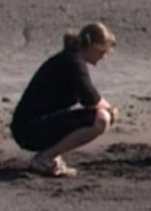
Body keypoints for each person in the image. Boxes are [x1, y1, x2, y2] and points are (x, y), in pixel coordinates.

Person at [10, 22, 119, 177]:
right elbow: (90, 99)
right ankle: (45, 158)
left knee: (96, 115)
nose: (104, 56)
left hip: (30, 127)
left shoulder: (71, 59)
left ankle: (51, 155)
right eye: (103, 51)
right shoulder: (73, 61)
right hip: (28, 130)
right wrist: (111, 110)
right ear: (93, 46)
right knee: (101, 119)